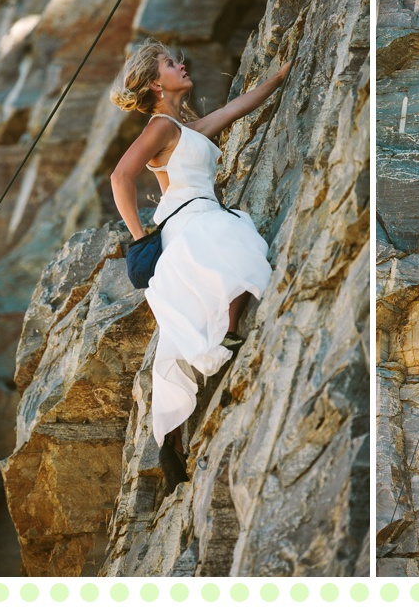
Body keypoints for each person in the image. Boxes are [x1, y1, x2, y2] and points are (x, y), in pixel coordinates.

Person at [109, 39, 290, 491]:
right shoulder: (160, 126)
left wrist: (281, 76)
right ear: (155, 82)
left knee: (231, 266)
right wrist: (138, 237)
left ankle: (172, 444)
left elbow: (238, 108)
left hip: (202, 216)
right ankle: (226, 339)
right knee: (240, 246)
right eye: (171, 64)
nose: (182, 65)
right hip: (186, 222)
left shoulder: (185, 126)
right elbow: (120, 176)